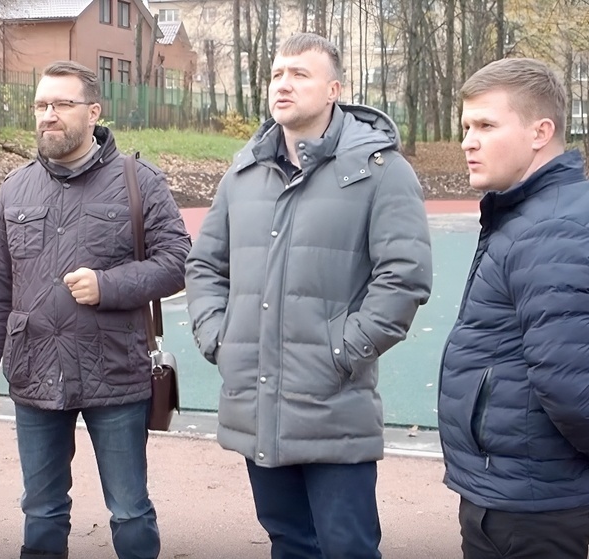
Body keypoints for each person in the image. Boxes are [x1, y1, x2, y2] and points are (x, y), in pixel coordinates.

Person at [184, 33, 432, 558]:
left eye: (300, 74)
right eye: (277, 74)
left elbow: (404, 276)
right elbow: (204, 264)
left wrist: (342, 349)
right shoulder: (244, 171)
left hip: (333, 407)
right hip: (257, 405)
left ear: (334, 90)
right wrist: (219, 338)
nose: (284, 84)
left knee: (348, 549)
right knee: (290, 544)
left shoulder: (381, 171)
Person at [0, 60, 190, 559]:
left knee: (129, 509)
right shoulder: (15, 188)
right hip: (35, 372)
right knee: (41, 510)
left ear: (93, 112)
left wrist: (108, 285)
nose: (49, 114)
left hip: (115, 373)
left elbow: (178, 261)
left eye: (62, 104)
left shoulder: (139, 181)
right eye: (41, 104)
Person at [438, 57, 589, 558]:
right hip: (517, 486)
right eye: (466, 127)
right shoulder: (527, 213)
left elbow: (573, 388)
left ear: (540, 133)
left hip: (530, 503)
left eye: (486, 126)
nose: (468, 141)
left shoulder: (551, 228)